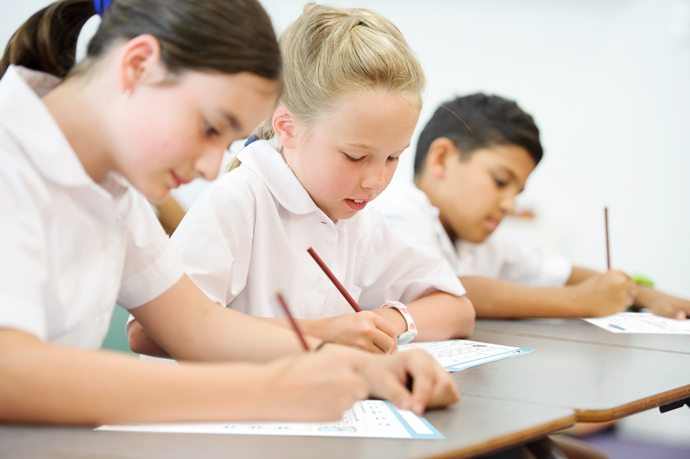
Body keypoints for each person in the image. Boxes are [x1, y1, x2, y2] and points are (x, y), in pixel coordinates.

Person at [0, 0, 459, 425]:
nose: (209, 166)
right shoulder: (11, 158)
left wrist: (356, 366)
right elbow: (12, 373)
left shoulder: (113, 184)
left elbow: (198, 325)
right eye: (209, 127)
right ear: (137, 66)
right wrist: (267, 389)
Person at [128, 3, 475, 359]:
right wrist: (325, 335)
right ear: (287, 129)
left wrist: (385, 323)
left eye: (392, 157)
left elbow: (457, 308)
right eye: (355, 157)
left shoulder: (357, 218)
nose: (376, 180)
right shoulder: (240, 201)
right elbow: (149, 334)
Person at [376, 93, 690, 319]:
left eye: (518, 191)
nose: (511, 205)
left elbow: (561, 272)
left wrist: (645, 295)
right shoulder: (395, 212)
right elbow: (450, 291)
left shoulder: (479, 239)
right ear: (441, 158)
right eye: (501, 181)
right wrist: (582, 301)